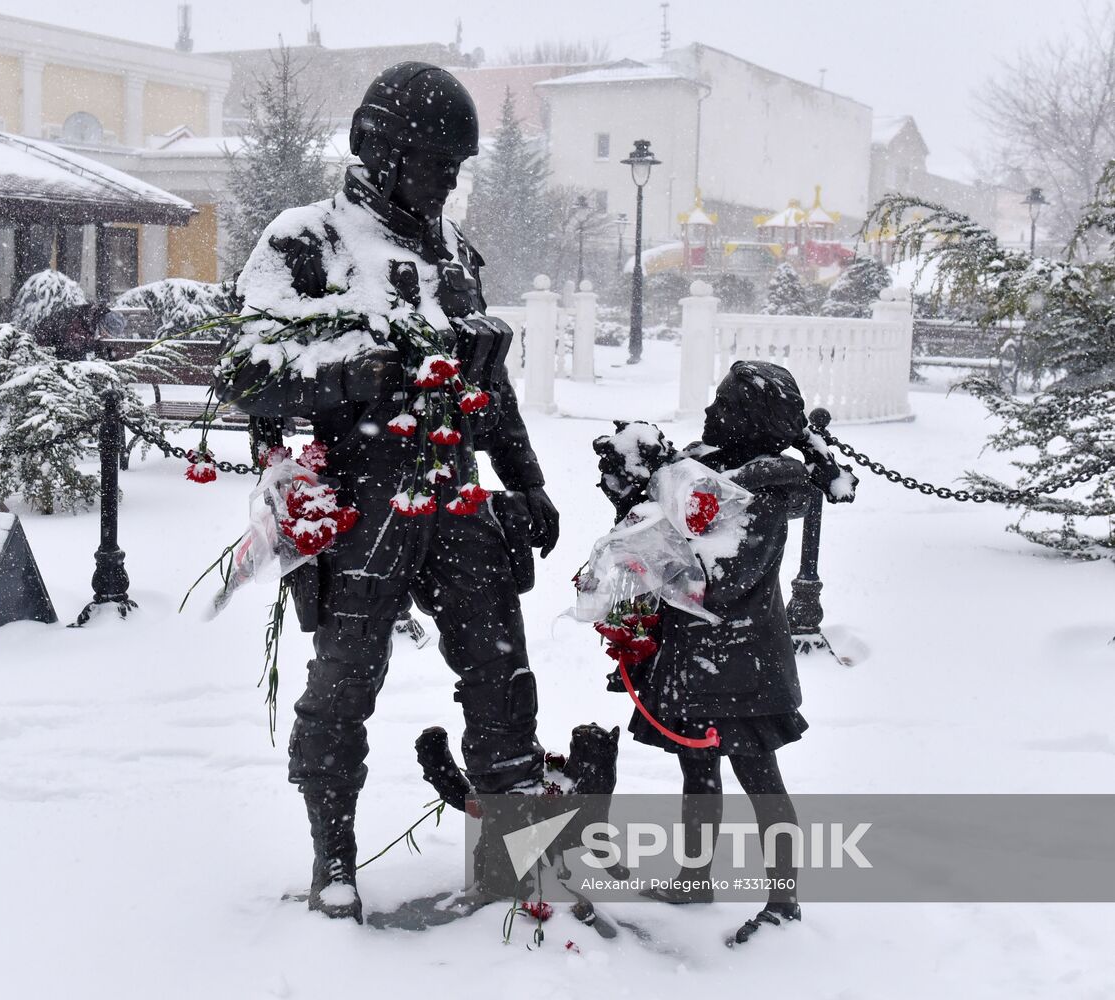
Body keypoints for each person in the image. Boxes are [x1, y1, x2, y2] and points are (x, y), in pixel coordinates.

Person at [220, 62, 560, 923]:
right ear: (377, 147)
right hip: (362, 503)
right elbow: (246, 367)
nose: (447, 185)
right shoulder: (308, 241)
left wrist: (528, 480)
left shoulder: (453, 256)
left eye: (455, 169)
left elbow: (491, 388)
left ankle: (510, 858)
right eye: (434, 164)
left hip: (455, 495)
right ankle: (334, 863)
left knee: (501, 676)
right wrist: (349, 376)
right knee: (342, 687)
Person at [594, 360, 856, 945]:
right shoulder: (704, 470)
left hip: (742, 659)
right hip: (695, 655)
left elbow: (723, 581)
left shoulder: (762, 491)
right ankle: (694, 876)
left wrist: (656, 555)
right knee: (697, 771)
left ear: (750, 420)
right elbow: (663, 533)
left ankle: (783, 901)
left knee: (761, 779)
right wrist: (632, 496)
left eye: (724, 404)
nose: (711, 412)